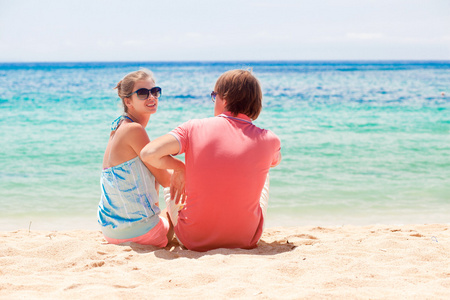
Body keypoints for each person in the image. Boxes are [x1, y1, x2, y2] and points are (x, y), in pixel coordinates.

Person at [140, 69, 282, 251]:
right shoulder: (270, 139)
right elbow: (274, 162)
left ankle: (169, 222)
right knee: (264, 171)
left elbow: (149, 153)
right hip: (245, 238)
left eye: (214, 96)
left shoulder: (193, 128)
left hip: (192, 239)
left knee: (172, 183)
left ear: (224, 98)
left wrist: (180, 168)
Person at [98, 69, 172, 247]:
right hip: (142, 234)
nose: (151, 97)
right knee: (184, 204)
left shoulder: (118, 126)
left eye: (155, 91)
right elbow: (166, 180)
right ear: (128, 101)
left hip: (111, 231)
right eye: (142, 93)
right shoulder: (134, 130)